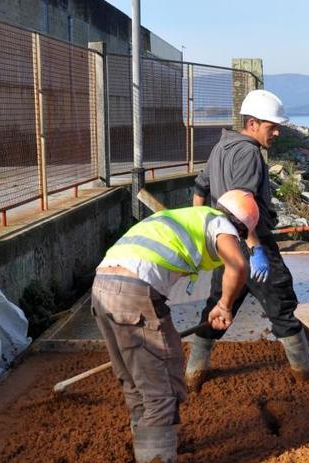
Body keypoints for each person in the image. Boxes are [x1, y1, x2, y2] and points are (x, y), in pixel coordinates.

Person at [91, 190, 256, 463]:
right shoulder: (221, 224)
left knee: (135, 381)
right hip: (134, 293)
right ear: (239, 226)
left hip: (102, 289)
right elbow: (238, 266)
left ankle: (146, 450)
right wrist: (225, 305)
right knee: (162, 387)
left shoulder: (188, 216)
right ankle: (156, 457)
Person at [190, 89, 309, 387]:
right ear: (253, 123)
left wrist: (202, 230)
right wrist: (255, 247)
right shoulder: (248, 153)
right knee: (282, 305)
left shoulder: (221, 147)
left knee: (219, 304)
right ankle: (306, 376)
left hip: (224, 242)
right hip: (251, 241)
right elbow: (242, 205)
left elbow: (199, 188)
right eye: (272, 127)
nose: (277, 132)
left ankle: (194, 373)